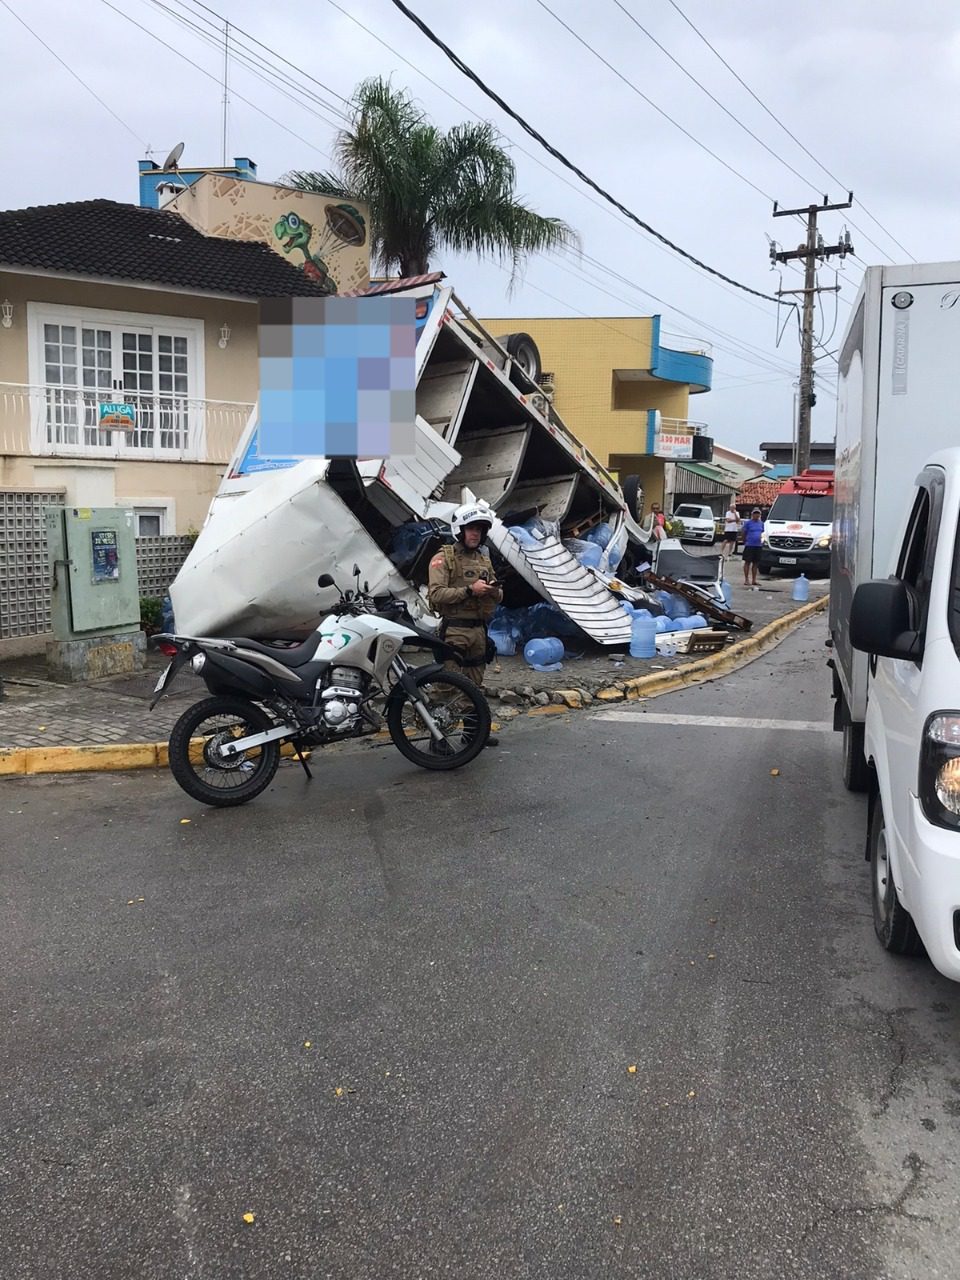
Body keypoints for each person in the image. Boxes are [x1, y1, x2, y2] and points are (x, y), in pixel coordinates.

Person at [428, 501, 503, 744]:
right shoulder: (444, 558)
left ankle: (473, 734)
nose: (475, 534)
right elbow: (436, 594)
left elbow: (499, 594)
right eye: (471, 528)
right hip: (455, 630)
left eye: (480, 530)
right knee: (446, 686)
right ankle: (437, 738)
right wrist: (470, 591)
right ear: (460, 530)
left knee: (475, 685)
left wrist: (493, 591)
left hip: (479, 630)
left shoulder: (484, 559)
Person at [741, 507, 765, 587]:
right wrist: (745, 541)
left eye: (758, 513)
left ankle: (754, 580)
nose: (756, 515)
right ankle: (746, 579)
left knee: (756, 563)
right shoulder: (748, 523)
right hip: (749, 545)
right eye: (755, 513)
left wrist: (762, 541)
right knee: (747, 562)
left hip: (758, 546)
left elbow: (763, 533)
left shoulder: (761, 523)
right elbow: (743, 532)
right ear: (752, 514)